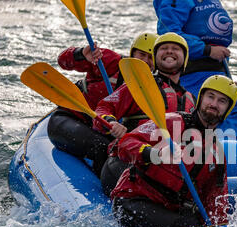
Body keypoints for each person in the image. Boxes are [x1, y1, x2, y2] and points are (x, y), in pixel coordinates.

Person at [110, 75, 237, 227]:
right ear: (201, 99)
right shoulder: (171, 122)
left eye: (222, 101)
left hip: (169, 209)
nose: (214, 104)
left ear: (227, 109)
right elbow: (125, 145)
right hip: (133, 201)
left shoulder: (217, 154)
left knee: (196, 222)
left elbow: (215, 199)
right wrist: (155, 154)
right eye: (210, 97)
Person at [96, 32, 196, 196]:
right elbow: (103, 109)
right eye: (164, 48)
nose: (169, 51)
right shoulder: (140, 85)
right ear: (156, 58)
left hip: (165, 168)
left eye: (175, 49)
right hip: (126, 162)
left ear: (184, 59)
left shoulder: (191, 100)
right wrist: (111, 122)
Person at [47, 33, 157, 175]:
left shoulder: (151, 88)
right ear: (132, 53)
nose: (146, 61)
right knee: (102, 147)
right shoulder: (109, 61)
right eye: (142, 55)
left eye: (151, 58)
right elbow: (62, 61)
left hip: (102, 130)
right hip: (70, 119)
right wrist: (81, 54)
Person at [153, 0, 237, 137]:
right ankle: (215, 146)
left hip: (216, 73)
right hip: (193, 76)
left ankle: (224, 145)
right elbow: (169, 33)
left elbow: (217, 43)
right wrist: (206, 50)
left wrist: (227, 82)